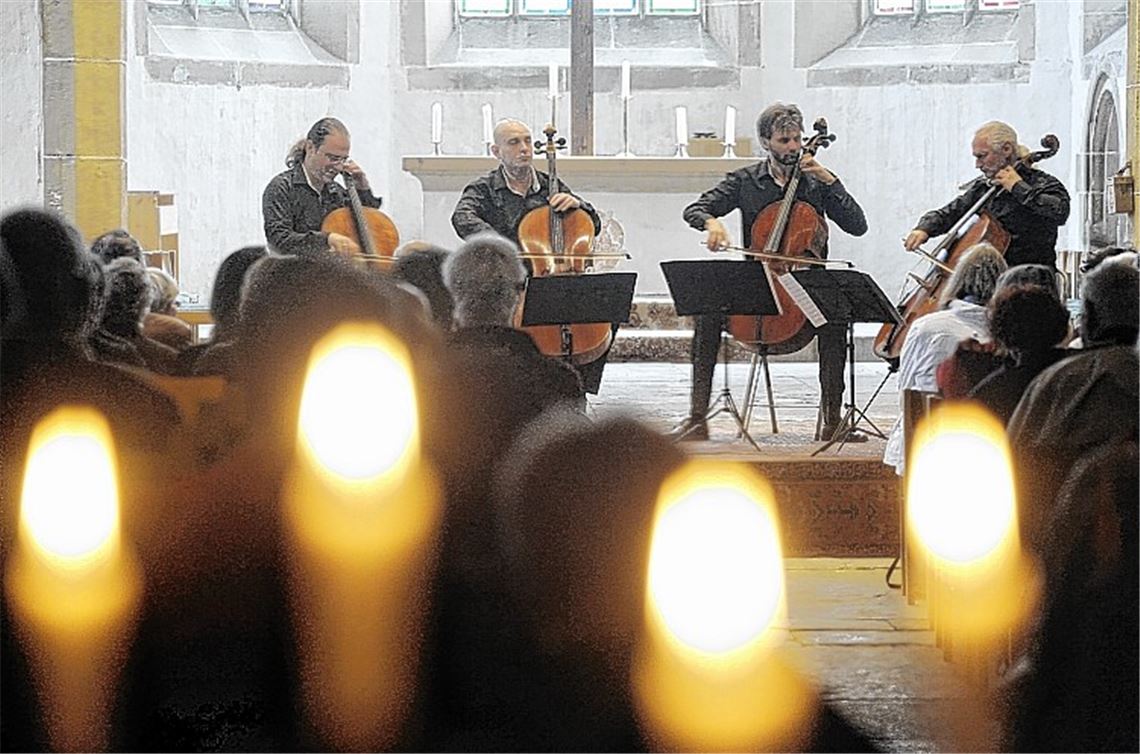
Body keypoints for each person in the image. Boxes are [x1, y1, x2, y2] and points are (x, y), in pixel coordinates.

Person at [679, 102, 868, 442]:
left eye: (797, 139)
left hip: (806, 287)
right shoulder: (745, 181)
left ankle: (832, 420)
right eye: (784, 140)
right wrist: (712, 224)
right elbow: (696, 208)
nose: (794, 147)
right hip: (759, 287)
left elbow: (858, 226)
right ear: (766, 142)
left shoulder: (817, 183)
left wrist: (831, 181)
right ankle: (696, 419)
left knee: (836, 319)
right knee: (707, 316)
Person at [881, 242, 1007, 475]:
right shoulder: (1013, 334)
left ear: (957, 282)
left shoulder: (925, 327)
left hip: (927, 449)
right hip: (994, 456)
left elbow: (906, 392)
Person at [903, 120, 1070, 269]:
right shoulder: (985, 188)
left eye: (982, 156)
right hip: (989, 283)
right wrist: (924, 229)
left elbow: (1060, 211)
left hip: (1031, 282)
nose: (977, 165)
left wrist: (1017, 187)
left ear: (1006, 149)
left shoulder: (1043, 183)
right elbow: (952, 212)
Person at [450, 118, 600, 247]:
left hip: (549, 272)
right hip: (505, 272)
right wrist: (497, 243)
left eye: (528, 141)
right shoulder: (483, 188)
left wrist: (579, 205)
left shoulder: (550, 185)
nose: (524, 149)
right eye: (513, 142)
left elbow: (595, 225)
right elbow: (462, 217)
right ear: (496, 151)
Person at [261, 117, 380, 257]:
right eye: (333, 158)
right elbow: (279, 240)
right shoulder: (281, 187)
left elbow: (368, 224)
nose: (339, 167)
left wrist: (362, 187)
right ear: (311, 148)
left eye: (343, 159)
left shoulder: (336, 192)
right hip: (293, 274)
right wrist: (326, 239)